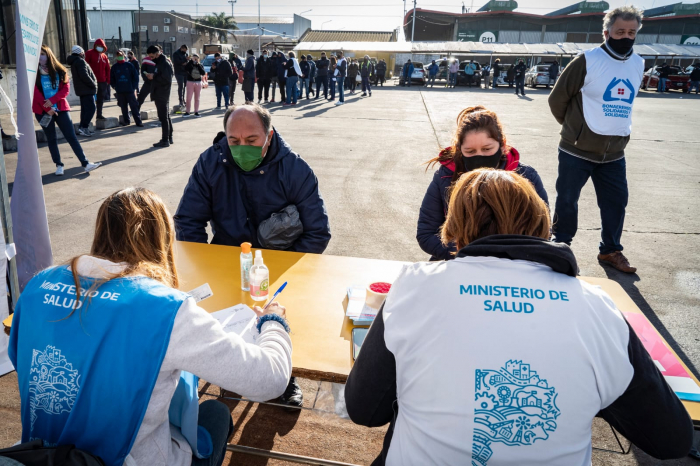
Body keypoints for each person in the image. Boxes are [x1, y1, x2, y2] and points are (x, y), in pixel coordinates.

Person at [345, 168, 694, 466]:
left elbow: (364, 410)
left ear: (455, 226)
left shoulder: (415, 287)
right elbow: (669, 439)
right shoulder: (597, 306)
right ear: (541, 222)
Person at [9, 187, 293, 466]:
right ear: (162, 238)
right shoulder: (165, 308)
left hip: (40, 454)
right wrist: (274, 322)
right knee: (216, 413)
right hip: (130, 458)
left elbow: (20, 357)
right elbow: (269, 380)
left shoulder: (38, 284)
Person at [174, 104, 331, 407]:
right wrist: (207, 266)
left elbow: (318, 232)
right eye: (234, 141)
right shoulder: (210, 163)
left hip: (281, 263)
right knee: (225, 322)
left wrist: (282, 269)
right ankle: (229, 370)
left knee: (282, 315)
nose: (241, 147)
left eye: (251, 141)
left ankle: (285, 375)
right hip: (227, 258)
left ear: (269, 136)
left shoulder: (295, 169)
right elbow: (188, 220)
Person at [548, 6, 645, 273]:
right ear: (607, 32)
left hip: (614, 154)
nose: (626, 36)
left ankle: (611, 251)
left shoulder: (638, 63)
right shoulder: (587, 60)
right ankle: (561, 246)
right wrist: (574, 131)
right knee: (567, 200)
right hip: (576, 151)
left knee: (616, 202)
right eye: (620, 31)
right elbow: (558, 99)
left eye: (631, 32)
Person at [417, 106, 547, 260]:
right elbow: (427, 233)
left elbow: (543, 230)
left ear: (503, 145)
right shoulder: (445, 176)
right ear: (459, 150)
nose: (479, 157)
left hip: (514, 264)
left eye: (487, 149)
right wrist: (467, 254)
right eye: (470, 152)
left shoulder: (526, 177)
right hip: (459, 261)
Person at [33, 45, 101, 176]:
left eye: (43, 54)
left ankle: (85, 163)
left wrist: (53, 100)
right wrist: (47, 108)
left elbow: (65, 89)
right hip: (42, 111)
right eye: (39, 54)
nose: (41, 57)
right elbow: (34, 93)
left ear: (49, 55)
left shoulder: (60, 70)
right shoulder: (32, 72)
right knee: (51, 138)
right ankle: (59, 165)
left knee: (71, 136)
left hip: (61, 108)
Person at [145, 45, 174, 148]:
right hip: (160, 92)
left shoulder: (164, 63)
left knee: (163, 117)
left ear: (157, 54)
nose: (151, 59)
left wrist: (154, 77)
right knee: (165, 116)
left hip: (162, 93)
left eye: (152, 56)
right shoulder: (160, 62)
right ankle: (169, 137)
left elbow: (167, 79)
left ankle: (165, 140)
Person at [66, 45, 97, 137]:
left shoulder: (74, 62)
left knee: (85, 110)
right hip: (87, 89)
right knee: (91, 108)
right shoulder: (80, 61)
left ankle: (82, 128)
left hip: (82, 90)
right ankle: (84, 127)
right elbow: (84, 75)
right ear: (80, 52)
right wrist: (93, 84)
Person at [110, 51, 143, 127]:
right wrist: (114, 86)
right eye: (118, 55)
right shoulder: (114, 67)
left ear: (124, 56)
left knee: (134, 106)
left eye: (121, 55)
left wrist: (134, 87)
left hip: (130, 90)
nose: (120, 57)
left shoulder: (129, 65)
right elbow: (111, 78)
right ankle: (126, 121)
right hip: (120, 91)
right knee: (123, 107)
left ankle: (138, 121)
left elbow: (135, 77)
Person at [85, 38, 110, 121]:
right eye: (98, 45)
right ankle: (87, 117)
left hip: (102, 81)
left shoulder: (104, 56)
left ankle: (99, 114)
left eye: (101, 46)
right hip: (91, 81)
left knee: (101, 99)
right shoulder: (89, 53)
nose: (99, 47)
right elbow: (85, 66)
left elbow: (108, 69)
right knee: (89, 100)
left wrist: (108, 80)